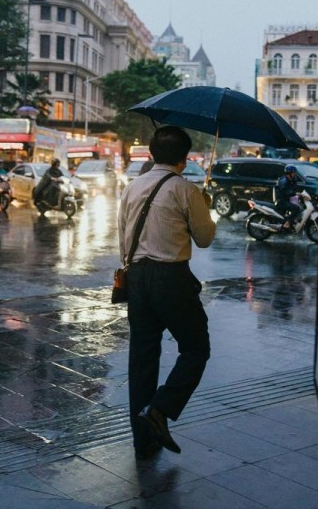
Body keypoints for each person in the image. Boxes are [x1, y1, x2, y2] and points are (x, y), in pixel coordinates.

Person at [118, 126, 216, 460]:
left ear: (151, 153)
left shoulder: (131, 187)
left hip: (136, 277)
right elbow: (204, 238)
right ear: (184, 158)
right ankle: (160, 409)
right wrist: (204, 206)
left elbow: (122, 238)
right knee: (196, 348)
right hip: (171, 278)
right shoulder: (185, 190)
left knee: (142, 358)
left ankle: (142, 440)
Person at [274, 164, 301, 230]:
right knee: (296, 208)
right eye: (293, 173)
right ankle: (287, 223)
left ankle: (290, 223)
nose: (295, 174)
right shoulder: (284, 181)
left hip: (286, 199)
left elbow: (293, 187)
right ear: (289, 173)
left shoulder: (290, 179)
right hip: (281, 201)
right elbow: (286, 191)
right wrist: (295, 193)